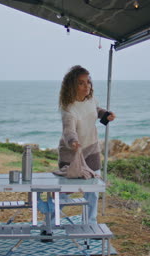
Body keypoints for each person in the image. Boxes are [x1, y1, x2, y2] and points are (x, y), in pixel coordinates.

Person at [57, 65, 116, 225]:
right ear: (72, 86)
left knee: (93, 191)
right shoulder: (68, 109)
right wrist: (73, 142)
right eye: (81, 83)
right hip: (72, 154)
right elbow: (68, 130)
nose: (87, 86)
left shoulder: (90, 99)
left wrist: (106, 114)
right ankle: (50, 221)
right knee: (66, 191)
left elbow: (95, 110)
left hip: (92, 150)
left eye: (88, 82)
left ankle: (89, 223)